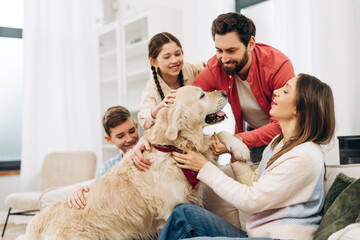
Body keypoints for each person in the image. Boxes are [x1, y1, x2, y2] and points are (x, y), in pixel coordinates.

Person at [158, 73, 335, 240]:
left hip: (279, 238)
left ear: (300, 109)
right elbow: (256, 184)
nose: (276, 91)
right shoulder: (277, 143)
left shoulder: (305, 156)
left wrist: (204, 167)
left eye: (286, 90)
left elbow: (252, 200)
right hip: (255, 236)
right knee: (183, 213)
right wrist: (232, 154)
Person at [132, 13, 295, 170]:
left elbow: (282, 124)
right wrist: (149, 138)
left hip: (286, 132)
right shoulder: (216, 66)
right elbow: (187, 104)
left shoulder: (278, 66)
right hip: (252, 130)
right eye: (219, 50)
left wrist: (236, 139)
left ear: (251, 44)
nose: (223, 58)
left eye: (231, 51)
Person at [39, 106, 140, 210]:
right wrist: (78, 190)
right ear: (109, 140)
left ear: (136, 126)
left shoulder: (153, 154)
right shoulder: (108, 167)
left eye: (132, 131)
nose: (129, 139)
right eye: (120, 136)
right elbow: (97, 193)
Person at [137, 32, 204, 130]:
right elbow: (144, 121)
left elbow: (206, 68)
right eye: (167, 57)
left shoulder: (188, 69)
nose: (175, 60)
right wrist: (159, 108)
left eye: (177, 54)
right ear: (154, 62)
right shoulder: (152, 89)